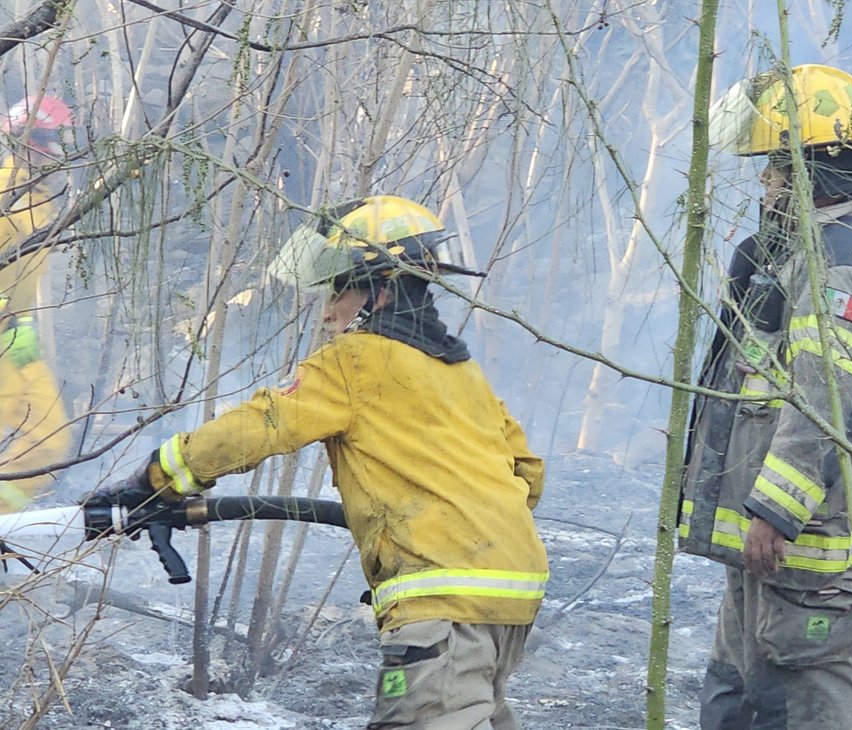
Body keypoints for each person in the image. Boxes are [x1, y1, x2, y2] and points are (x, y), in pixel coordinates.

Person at [93, 195, 548, 728]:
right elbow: (527, 474)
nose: (329, 311)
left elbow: (261, 426)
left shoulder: (356, 360)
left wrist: (156, 479)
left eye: (340, 289)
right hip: (514, 595)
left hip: (445, 603)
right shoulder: (460, 373)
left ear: (379, 292)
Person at [678, 64, 852, 729]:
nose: (766, 181)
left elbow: (825, 399)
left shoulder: (839, 264)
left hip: (807, 552)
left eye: (777, 167)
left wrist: (775, 512)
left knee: (806, 700)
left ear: (813, 170)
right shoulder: (794, 255)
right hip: (771, 551)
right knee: (736, 696)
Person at [0, 94, 75, 513]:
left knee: (50, 439)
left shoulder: (39, 201)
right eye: (49, 141)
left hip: (13, 340)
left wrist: (19, 326)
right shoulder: (3, 197)